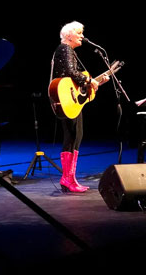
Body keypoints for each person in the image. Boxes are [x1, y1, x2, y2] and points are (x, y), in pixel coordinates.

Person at [51, 21, 106, 193]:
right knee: (72, 136)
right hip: (66, 98)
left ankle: (70, 178)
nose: (82, 36)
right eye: (79, 33)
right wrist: (89, 80)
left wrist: (94, 82)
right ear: (69, 35)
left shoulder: (68, 51)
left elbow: (73, 76)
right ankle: (67, 179)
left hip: (71, 99)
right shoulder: (65, 49)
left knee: (76, 135)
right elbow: (69, 71)